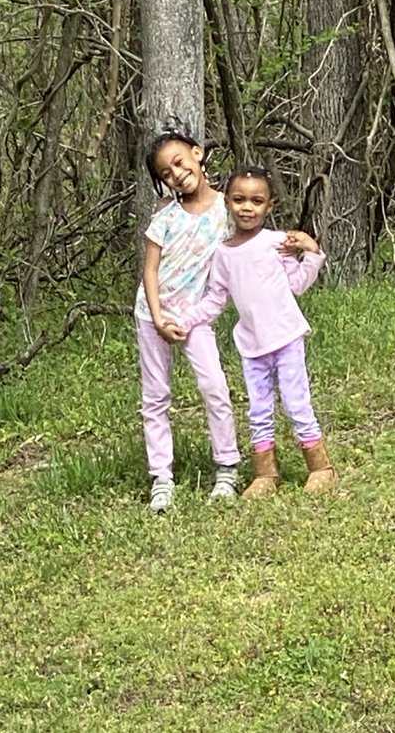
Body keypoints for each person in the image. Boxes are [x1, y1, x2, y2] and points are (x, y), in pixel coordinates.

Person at [176, 167, 337, 497]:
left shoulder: (277, 243)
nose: (247, 207)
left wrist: (312, 252)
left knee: (296, 402)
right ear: (228, 203)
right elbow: (215, 300)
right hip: (251, 346)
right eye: (239, 200)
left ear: (269, 206)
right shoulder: (222, 254)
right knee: (258, 408)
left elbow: (297, 285)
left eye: (256, 201)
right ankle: (265, 473)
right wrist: (187, 319)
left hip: (286, 338)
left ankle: (321, 467)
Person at [134, 129, 240, 513]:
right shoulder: (165, 215)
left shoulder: (226, 210)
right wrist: (159, 317)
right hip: (152, 315)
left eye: (180, 162)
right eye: (166, 173)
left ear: (198, 155)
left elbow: (244, 248)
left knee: (215, 387)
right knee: (156, 397)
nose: (176, 174)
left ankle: (227, 467)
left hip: (194, 317)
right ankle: (161, 476)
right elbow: (149, 270)